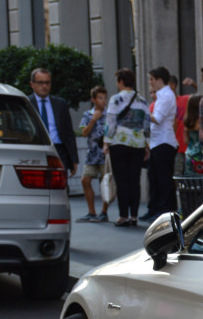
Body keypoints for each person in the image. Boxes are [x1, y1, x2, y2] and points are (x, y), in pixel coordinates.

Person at [104, 68, 151, 227]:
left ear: (121, 82)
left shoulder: (116, 99)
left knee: (122, 180)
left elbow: (110, 122)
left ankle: (123, 215)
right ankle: (134, 215)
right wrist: (146, 143)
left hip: (119, 142)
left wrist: (106, 141)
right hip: (137, 143)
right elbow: (146, 124)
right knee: (134, 179)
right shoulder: (143, 100)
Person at [28, 67, 80, 185]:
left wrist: (73, 159)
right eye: (41, 83)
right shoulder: (27, 103)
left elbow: (68, 133)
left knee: (61, 185)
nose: (44, 86)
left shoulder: (60, 104)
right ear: (32, 84)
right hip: (36, 149)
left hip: (58, 150)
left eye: (47, 82)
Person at [142, 66, 178, 220]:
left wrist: (142, 112)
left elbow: (157, 118)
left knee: (163, 179)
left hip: (164, 141)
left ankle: (165, 211)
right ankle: (154, 209)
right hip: (158, 141)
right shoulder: (162, 95)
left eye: (151, 79)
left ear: (159, 80)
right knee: (154, 177)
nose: (150, 82)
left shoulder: (166, 95)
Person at [77, 86, 111, 222]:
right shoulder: (88, 114)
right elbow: (84, 133)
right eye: (100, 98)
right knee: (85, 180)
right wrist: (94, 119)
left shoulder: (109, 114)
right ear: (93, 100)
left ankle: (104, 212)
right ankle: (91, 211)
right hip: (92, 154)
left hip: (105, 153)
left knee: (105, 182)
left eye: (104, 98)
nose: (103, 101)